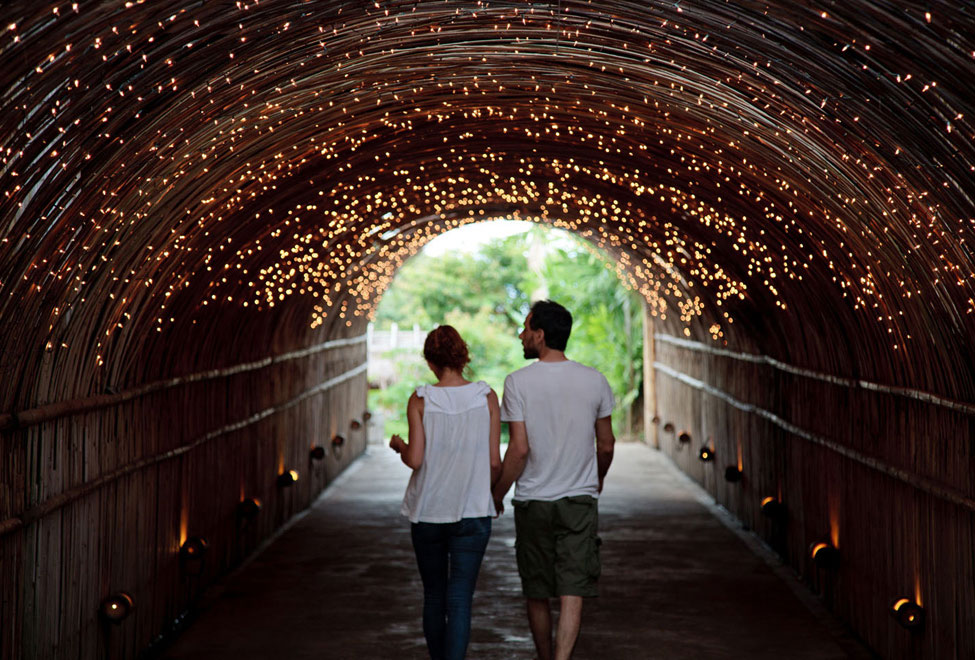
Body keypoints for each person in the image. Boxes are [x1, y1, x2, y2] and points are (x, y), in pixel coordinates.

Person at [491, 300, 616, 660]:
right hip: (579, 501)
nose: (521, 334)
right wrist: (598, 478)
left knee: (537, 589)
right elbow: (605, 445)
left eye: (526, 328)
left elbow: (518, 450)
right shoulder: (595, 380)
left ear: (540, 336)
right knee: (572, 588)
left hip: (533, 501)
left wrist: (496, 494)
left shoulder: (517, 383)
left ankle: (546, 658)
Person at [390, 325, 502, 660]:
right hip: (473, 513)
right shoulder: (486, 397)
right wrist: (489, 495)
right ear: (462, 356)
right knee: (460, 598)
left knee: (434, 596)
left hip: (428, 513)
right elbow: (495, 463)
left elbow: (416, 459)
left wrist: (399, 445)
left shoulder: (421, 399)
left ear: (430, 362)